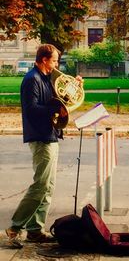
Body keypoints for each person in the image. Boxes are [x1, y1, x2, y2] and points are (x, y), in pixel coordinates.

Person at [5, 44, 82, 248]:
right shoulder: (32, 79)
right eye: (55, 60)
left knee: (48, 186)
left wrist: (75, 85)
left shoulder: (45, 77)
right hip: (40, 137)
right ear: (45, 60)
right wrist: (55, 108)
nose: (57, 64)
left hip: (50, 134)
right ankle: (15, 226)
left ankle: (35, 230)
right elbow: (32, 110)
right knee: (40, 185)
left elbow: (58, 97)